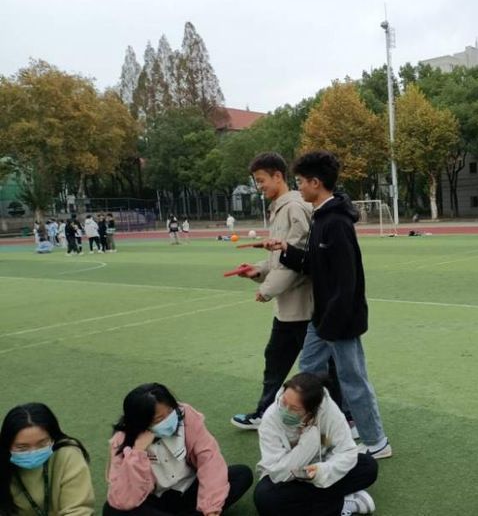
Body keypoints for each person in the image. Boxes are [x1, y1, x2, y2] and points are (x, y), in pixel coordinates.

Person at [266, 150, 392, 460]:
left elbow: (347, 282)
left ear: (316, 183)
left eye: (300, 182)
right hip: (321, 319)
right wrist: (285, 249)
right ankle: (320, 433)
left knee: (353, 380)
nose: (298, 187)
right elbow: (313, 265)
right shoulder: (321, 216)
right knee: (308, 374)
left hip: (339, 321)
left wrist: (332, 325)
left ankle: (376, 442)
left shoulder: (336, 222)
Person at [231, 153, 316, 430]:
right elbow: (279, 258)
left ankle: (344, 417)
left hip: (302, 307)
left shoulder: (295, 207)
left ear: (278, 176)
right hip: (289, 307)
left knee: (316, 368)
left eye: (261, 180)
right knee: (279, 361)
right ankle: (265, 412)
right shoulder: (280, 208)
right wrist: (258, 270)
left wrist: (266, 289)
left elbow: (298, 259)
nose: (259, 187)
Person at [104, 383, 253, 516]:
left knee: (240, 474)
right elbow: (124, 498)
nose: (169, 420)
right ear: (141, 422)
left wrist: (211, 507)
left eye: (170, 411)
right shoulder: (122, 440)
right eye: (159, 419)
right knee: (113, 509)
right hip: (153, 499)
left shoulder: (186, 415)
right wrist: (137, 453)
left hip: (189, 489)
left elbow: (209, 459)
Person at [253, 373, 378, 516]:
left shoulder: (329, 411)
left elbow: (346, 450)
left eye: (294, 408)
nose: (285, 410)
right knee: (265, 498)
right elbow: (278, 472)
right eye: (284, 401)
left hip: (320, 465)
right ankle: (342, 504)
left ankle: (316, 503)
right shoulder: (271, 418)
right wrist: (309, 441)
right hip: (288, 477)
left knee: (368, 466)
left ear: (312, 411)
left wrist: (321, 472)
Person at [0, 403, 94, 516]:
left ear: (53, 438)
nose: (33, 452)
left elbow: (78, 510)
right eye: (22, 447)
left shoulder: (67, 454)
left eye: (42, 444)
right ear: (7, 445)